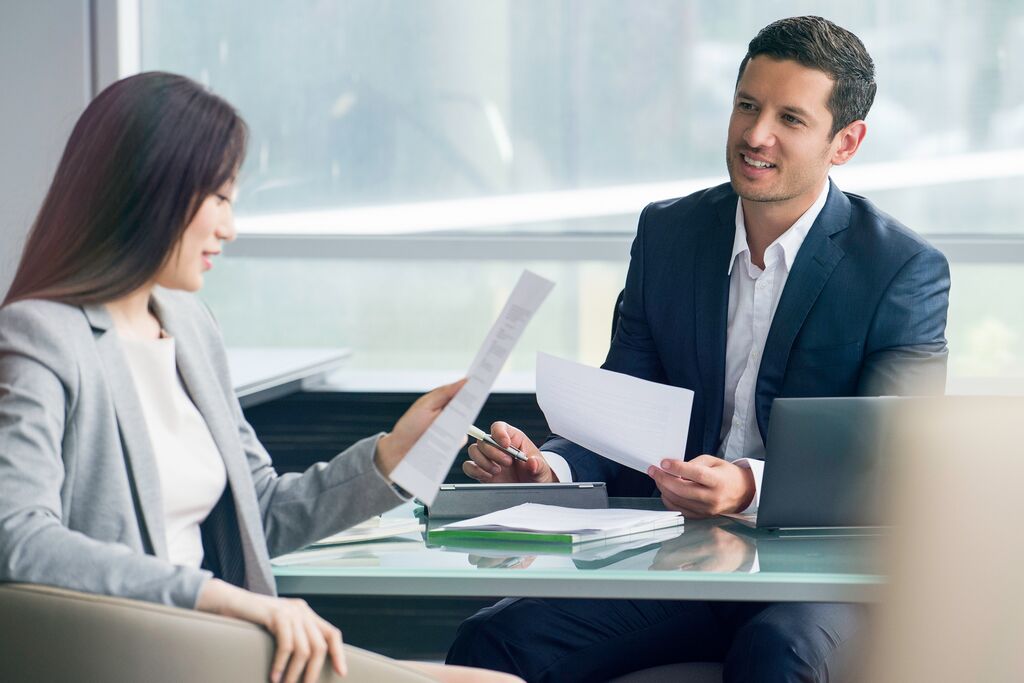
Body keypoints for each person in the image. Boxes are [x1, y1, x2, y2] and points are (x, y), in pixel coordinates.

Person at [448, 15, 949, 683]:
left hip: (819, 577)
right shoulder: (670, 234)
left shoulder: (900, 267)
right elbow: (625, 410)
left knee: (777, 653)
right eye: (747, 105)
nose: (756, 134)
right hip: (678, 560)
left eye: (790, 119)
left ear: (846, 142)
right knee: (497, 639)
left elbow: (897, 459)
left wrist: (749, 486)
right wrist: (551, 471)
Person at [0, 72, 521, 683]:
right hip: (144, 650)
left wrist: (390, 458)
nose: (230, 227)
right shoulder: (40, 335)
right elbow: (18, 537)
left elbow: (262, 511)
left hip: (218, 642)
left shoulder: (191, 326)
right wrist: (216, 598)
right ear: (150, 191)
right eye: (219, 198)